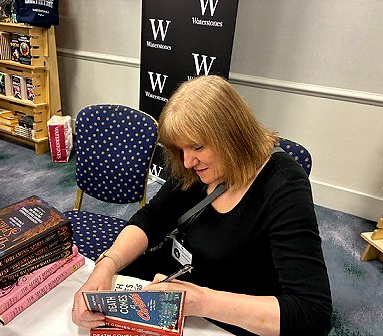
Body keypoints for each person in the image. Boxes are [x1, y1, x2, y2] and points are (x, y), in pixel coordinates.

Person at [72, 75, 332, 336]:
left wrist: (202, 302)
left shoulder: (284, 185)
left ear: (232, 136)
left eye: (197, 147)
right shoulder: (195, 165)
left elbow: (312, 313)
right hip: (178, 284)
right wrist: (106, 264)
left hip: (233, 311)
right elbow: (152, 218)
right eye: (181, 149)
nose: (187, 162)